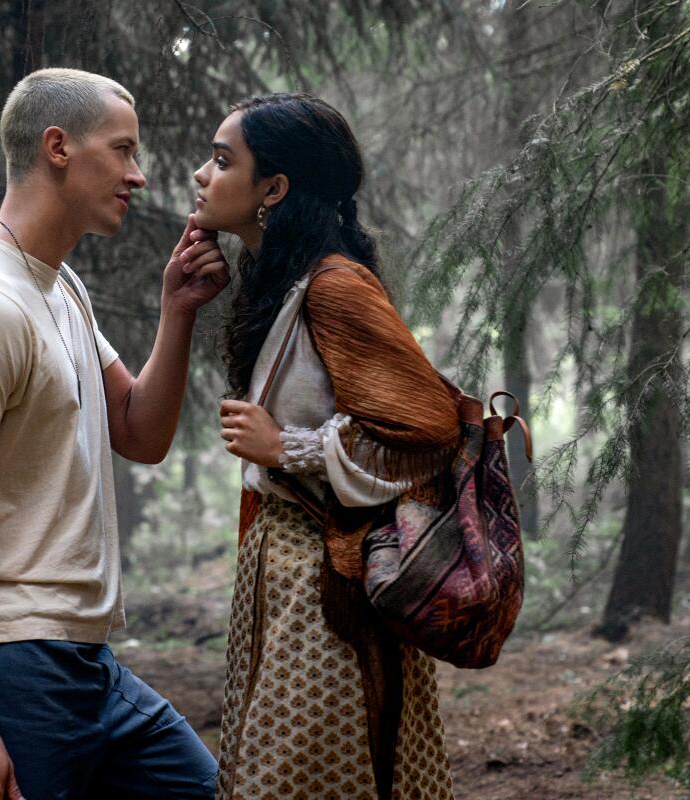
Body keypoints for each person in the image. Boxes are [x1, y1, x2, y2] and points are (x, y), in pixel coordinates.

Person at [0, 68, 229, 800]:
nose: (138, 176)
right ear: (58, 147)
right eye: (123, 150)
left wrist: (177, 312)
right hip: (7, 666)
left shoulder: (55, 284)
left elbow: (139, 432)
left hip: (84, 663)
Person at [198, 92, 460, 799]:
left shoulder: (335, 288)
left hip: (331, 589)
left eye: (223, 161)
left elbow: (431, 426)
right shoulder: (280, 284)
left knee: (307, 776)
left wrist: (289, 447)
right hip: (285, 576)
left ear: (273, 189)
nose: (202, 174)